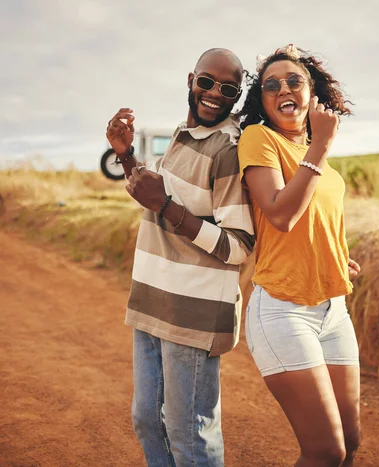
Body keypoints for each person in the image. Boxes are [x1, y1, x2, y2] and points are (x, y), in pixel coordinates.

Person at [105, 48, 254, 467]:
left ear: (237, 95)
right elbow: (152, 194)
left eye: (228, 88)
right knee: (147, 421)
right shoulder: (181, 135)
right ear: (191, 80)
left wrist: (169, 207)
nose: (214, 94)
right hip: (153, 301)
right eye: (206, 82)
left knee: (189, 436)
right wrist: (126, 155)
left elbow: (239, 246)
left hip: (193, 314)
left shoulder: (227, 150)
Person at [237, 44, 361, 467]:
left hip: (333, 308)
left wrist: (332, 257)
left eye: (294, 80)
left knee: (350, 442)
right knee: (325, 452)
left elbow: (314, 221)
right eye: (272, 85)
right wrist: (322, 144)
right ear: (263, 101)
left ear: (313, 92)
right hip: (283, 311)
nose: (283, 88)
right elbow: (280, 214)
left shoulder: (315, 155)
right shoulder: (260, 139)